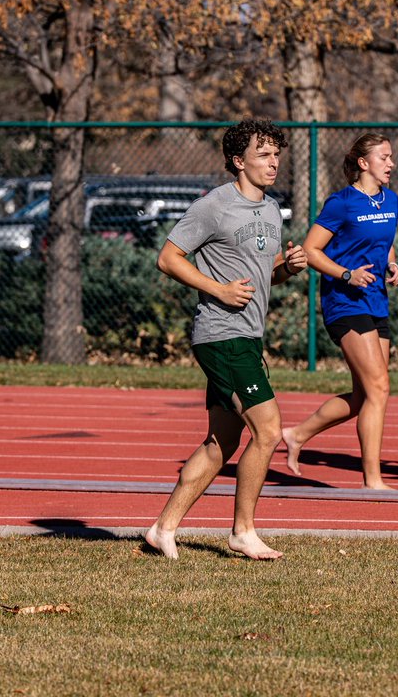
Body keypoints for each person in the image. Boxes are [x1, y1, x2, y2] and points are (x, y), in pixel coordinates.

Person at [144, 118, 307, 560]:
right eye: (263, 155)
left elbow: (259, 273)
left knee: (222, 443)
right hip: (220, 333)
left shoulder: (272, 209)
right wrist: (217, 290)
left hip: (248, 334)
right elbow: (168, 258)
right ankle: (243, 531)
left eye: (276, 155)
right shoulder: (214, 205)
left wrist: (285, 268)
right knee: (269, 428)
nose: (273, 163)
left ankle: (163, 528)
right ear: (239, 161)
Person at [282, 134, 398, 489]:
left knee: (364, 395)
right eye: (384, 157)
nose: (391, 163)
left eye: (391, 156)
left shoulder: (391, 200)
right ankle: (373, 480)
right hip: (345, 301)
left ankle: (296, 434)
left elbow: (385, 242)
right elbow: (311, 250)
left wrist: (392, 265)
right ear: (364, 163)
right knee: (380, 387)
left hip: (376, 300)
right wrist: (346, 274)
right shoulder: (341, 203)